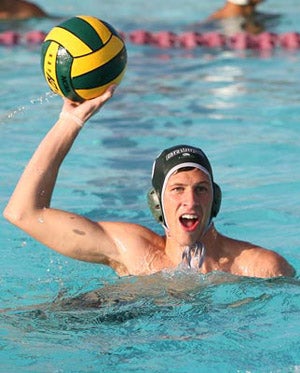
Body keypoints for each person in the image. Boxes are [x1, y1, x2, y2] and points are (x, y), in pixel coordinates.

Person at [3, 86, 295, 279]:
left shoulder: (259, 268)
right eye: (177, 189)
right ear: (157, 203)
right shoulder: (132, 250)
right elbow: (23, 213)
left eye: (201, 190)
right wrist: (70, 122)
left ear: (215, 200)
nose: (190, 201)